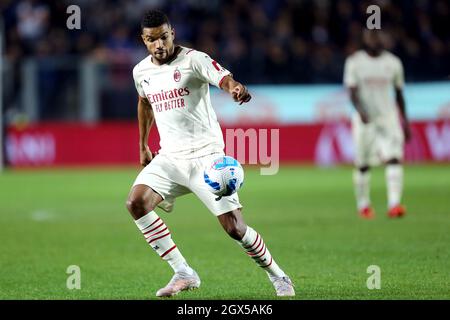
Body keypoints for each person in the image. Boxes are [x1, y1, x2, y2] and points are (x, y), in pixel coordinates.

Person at [126, 10, 295, 297]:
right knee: (136, 202)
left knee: (235, 229)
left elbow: (224, 78)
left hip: (208, 158)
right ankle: (183, 272)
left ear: (172, 33)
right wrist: (143, 143)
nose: (159, 45)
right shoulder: (141, 72)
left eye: (164, 37)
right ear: (144, 40)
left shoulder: (194, 60)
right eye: (152, 40)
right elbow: (145, 103)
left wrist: (235, 88)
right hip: (170, 158)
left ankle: (278, 275)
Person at [344, 29, 411, 219]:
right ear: (364, 39)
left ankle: (394, 204)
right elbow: (351, 91)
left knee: (394, 158)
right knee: (363, 164)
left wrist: (405, 122)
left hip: (389, 118)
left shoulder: (393, 63)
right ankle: (364, 205)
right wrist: (361, 112)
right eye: (370, 36)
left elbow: (399, 94)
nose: (374, 39)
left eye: (378, 35)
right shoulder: (355, 62)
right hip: (365, 120)